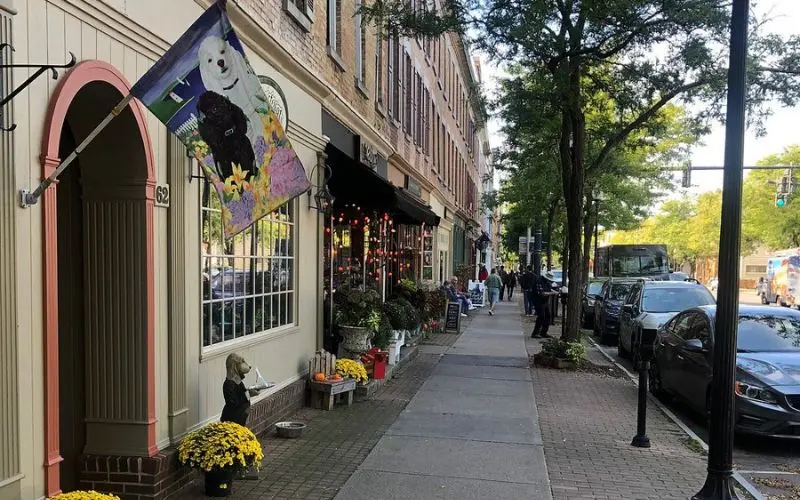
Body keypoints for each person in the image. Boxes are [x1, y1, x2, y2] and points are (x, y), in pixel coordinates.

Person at [532, 272, 558, 338]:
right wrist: (552, 293)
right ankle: (535, 332)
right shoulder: (539, 281)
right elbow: (541, 293)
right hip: (538, 301)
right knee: (541, 316)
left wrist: (553, 291)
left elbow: (549, 288)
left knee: (548, 316)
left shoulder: (547, 282)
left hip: (544, 301)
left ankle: (543, 332)